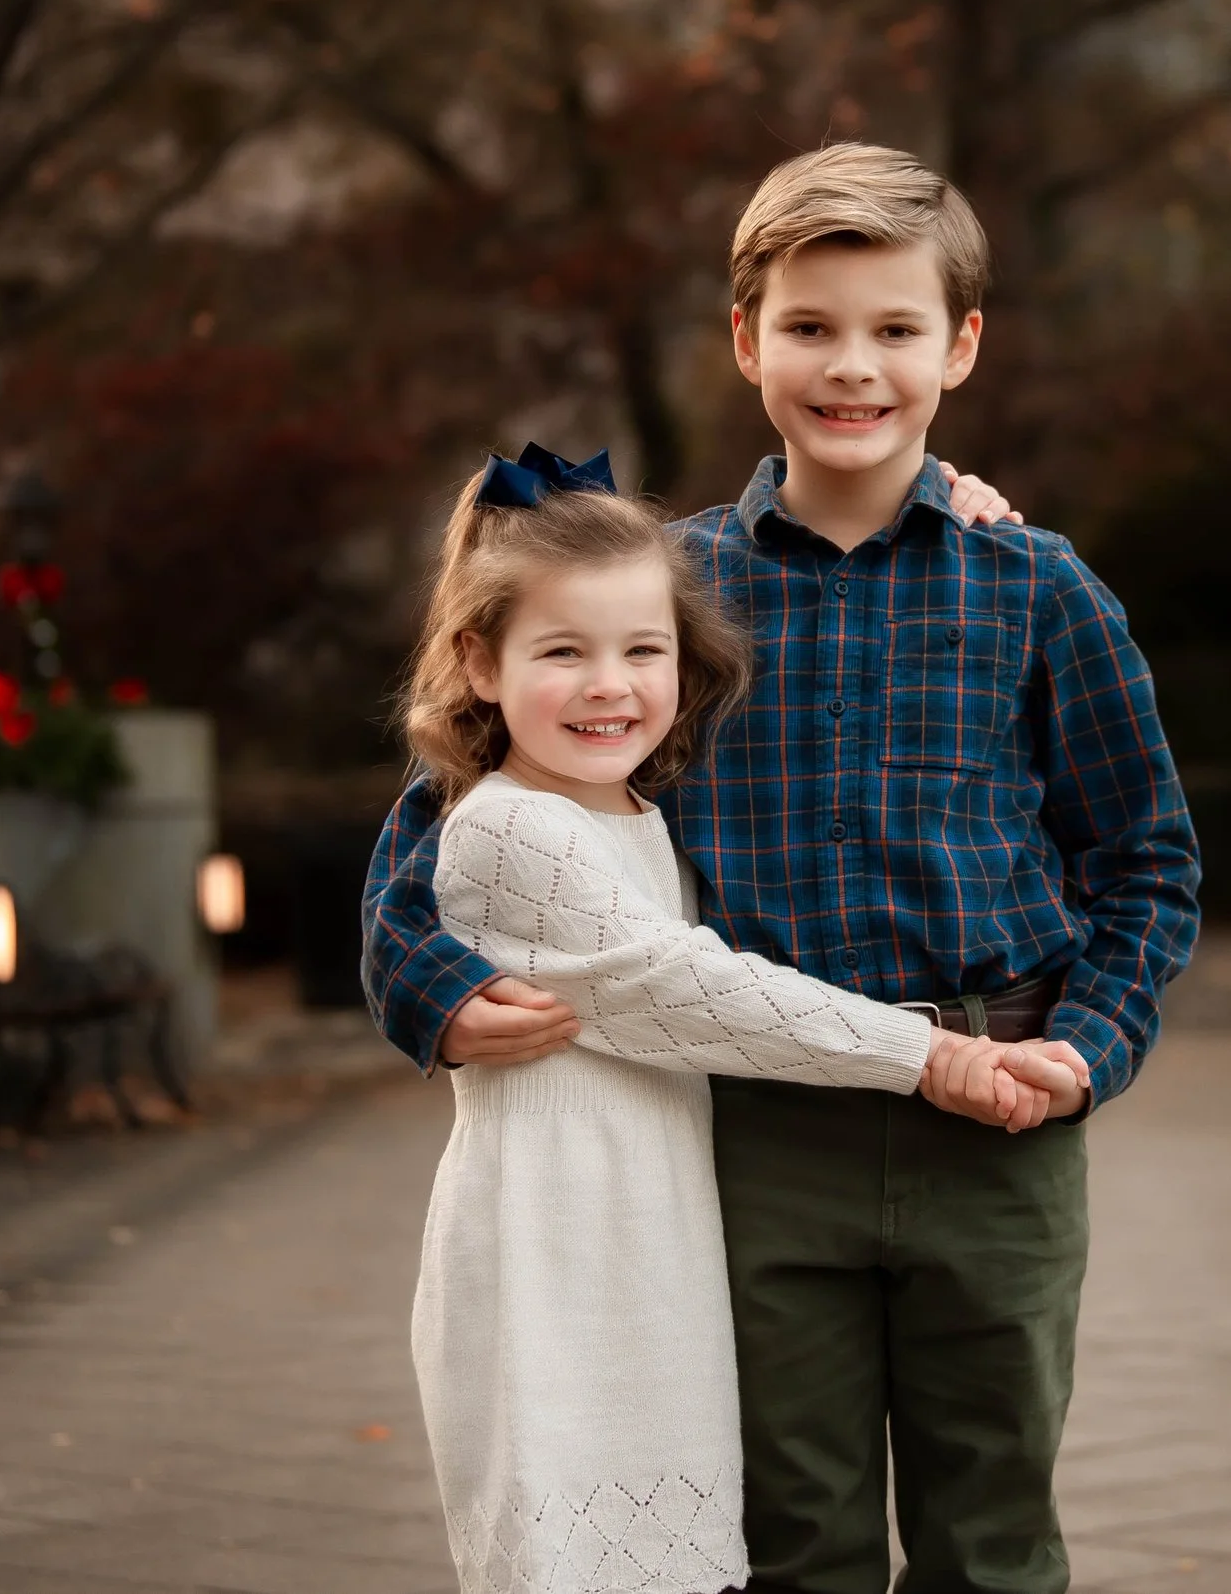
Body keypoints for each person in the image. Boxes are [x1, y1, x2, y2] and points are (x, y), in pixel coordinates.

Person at [366, 142, 1202, 1593]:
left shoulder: (1037, 586)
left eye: (896, 329)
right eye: (813, 327)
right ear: (748, 339)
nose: (854, 366)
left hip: (993, 1118)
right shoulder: (668, 587)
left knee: (993, 1536)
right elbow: (453, 795)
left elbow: (1145, 857)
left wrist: (1092, 1043)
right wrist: (424, 980)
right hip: (754, 1134)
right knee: (792, 1538)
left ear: (961, 346)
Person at [403, 447, 1087, 1594]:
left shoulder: (631, 809)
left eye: (641, 651)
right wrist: (927, 1052)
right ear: (478, 661)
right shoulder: (507, 830)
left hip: (657, 1235)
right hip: (563, 1255)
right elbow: (691, 987)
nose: (608, 684)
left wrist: (957, 505)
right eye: (561, 652)